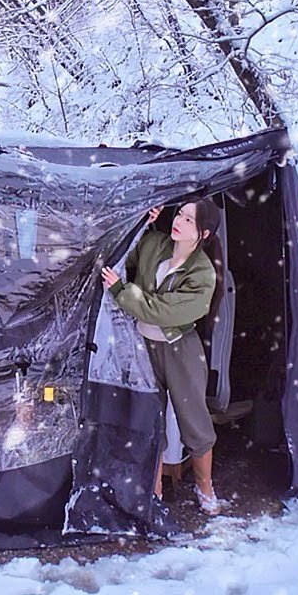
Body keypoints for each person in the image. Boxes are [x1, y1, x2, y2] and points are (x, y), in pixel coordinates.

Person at [100, 199, 225, 515]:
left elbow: (164, 312)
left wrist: (122, 292)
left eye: (188, 219)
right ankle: (153, 491)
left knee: (194, 422)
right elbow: (123, 246)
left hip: (180, 349)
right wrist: (143, 220)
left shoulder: (203, 273)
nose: (178, 221)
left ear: (203, 233)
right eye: (179, 214)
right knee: (148, 419)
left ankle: (205, 488)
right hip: (142, 346)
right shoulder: (155, 243)